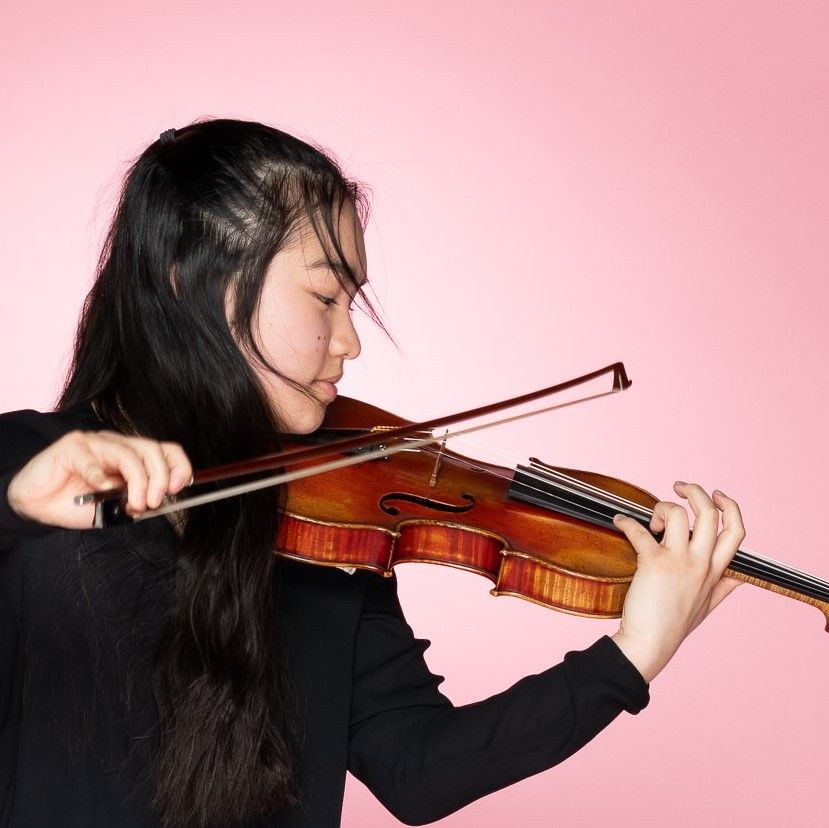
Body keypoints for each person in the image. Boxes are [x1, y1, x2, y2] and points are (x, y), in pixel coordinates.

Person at [0, 118, 745, 828]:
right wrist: (15, 499)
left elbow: (418, 768)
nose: (350, 341)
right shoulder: (33, 472)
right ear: (190, 279)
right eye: (324, 297)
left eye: (352, 301)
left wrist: (634, 652)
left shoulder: (334, 526)